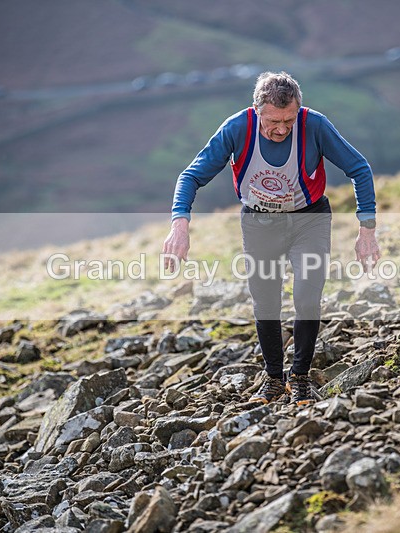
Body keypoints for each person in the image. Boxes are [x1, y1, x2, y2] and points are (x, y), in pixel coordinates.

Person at [162, 71, 380, 406]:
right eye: (273, 121)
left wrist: (367, 230)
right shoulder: (237, 128)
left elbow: (359, 168)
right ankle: (274, 379)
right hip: (259, 223)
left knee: (307, 296)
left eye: (288, 120)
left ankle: (301, 377)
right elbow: (191, 175)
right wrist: (180, 225)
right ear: (257, 110)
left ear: (298, 111)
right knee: (265, 302)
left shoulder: (314, 125)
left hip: (309, 220)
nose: (281, 129)